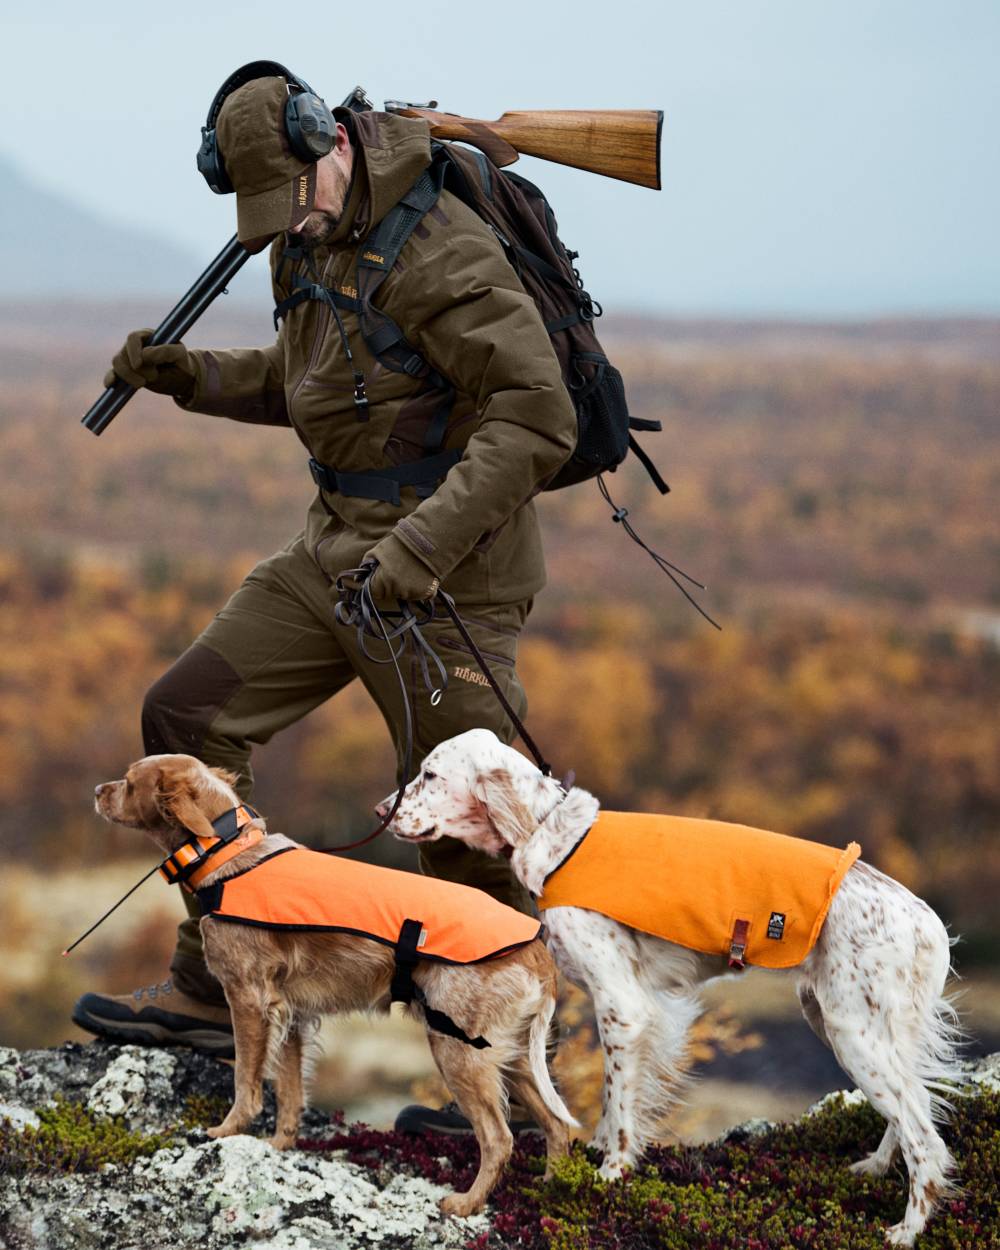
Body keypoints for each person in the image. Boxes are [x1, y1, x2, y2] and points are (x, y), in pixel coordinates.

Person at [73, 75, 577, 1129]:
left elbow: (539, 415)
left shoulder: (439, 245)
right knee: (187, 718)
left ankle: (517, 1081)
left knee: (464, 823)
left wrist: (424, 544)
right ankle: (218, 982)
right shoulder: (304, 235)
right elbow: (319, 387)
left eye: (293, 197)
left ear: (329, 143)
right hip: (334, 550)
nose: (283, 226)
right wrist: (193, 377)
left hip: (450, 575)